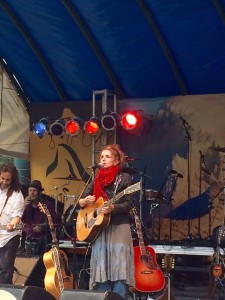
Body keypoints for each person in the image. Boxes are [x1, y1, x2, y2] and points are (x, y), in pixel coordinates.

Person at [78, 144, 135, 299]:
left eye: (107, 156)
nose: (103, 159)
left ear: (116, 161)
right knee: (101, 266)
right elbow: (81, 202)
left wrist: (114, 207)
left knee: (119, 266)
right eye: (101, 156)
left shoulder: (125, 178)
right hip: (99, 228)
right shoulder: (96, 178)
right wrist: (84, 201)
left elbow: (129, 205)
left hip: (118, 226)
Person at [21, 180, 62, 255]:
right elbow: (19, 219)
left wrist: (43, 227)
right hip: (27, 235)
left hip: (42, 237)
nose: (31, 193)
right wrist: (24, 207)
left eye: (34, 191)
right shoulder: (24, 203)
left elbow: (55, 222)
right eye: (30, 190)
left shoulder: (47, 205)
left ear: (39, 193)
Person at [0, 163, 25, 284]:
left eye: (7, 180)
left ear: (12, 179)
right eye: (2, 178)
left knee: (6, 268)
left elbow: (17, 216)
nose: (4, 181)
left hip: (10, 236)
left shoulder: (17, 195)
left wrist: (13, 224)